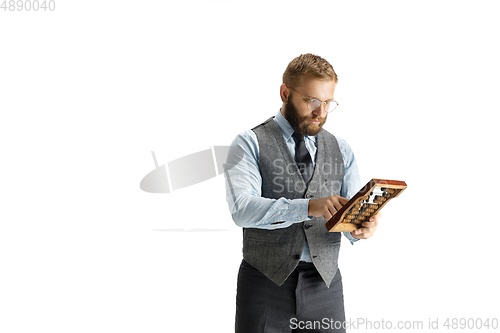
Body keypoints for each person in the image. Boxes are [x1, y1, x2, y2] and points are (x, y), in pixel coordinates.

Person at [224, 53, 381, 333]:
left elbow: (349, 214)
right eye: (311, 101)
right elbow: (242, 210)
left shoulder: (341, 148)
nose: (321, 112)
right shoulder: (249, 143)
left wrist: (360, 228)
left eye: (328, 103)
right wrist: (308, 206)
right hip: (264, 285)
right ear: (285, 93)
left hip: (326, 287)